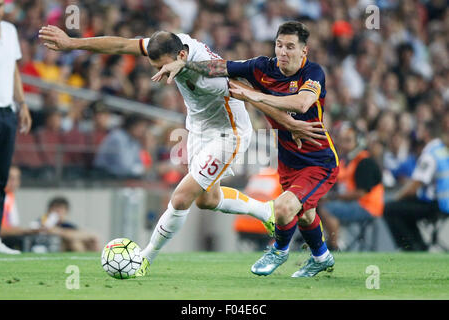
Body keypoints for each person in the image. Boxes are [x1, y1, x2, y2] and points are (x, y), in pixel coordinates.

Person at [38, 24, 326, 276]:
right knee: (206, 199)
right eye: (155, 67)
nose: (160, 73)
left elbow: (252, 96)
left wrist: (290, 124)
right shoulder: (170, 44)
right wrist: (72, 43)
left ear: (182, 57)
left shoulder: (212, 76)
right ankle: (266, 212)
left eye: (164, 66)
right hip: (198, 128)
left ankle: (143, 259)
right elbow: (122, 44)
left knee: (181, 197)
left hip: (229, 133)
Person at [154, 21, 339, 277]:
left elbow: (302, 103)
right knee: (305, 215)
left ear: (303, 51)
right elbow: (220, 67)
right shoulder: (262, 67)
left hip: (318, 160)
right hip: (287, 159)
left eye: (290, 47)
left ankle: (279, 250)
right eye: (279, 45)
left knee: (284, 209)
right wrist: (184, 64)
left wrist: (253, 95)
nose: (283, 52)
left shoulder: (313, 72)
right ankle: (321, 257)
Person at [383, 116, 449, 251]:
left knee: (390, 208)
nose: (416, 132)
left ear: (426, 133)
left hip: (435, 205)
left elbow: (415, 186)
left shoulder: (429, 154)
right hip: (443, 202)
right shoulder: (442, 150)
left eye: (420, 129)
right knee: (404, 209)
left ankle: (411, 247)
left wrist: (397, 198)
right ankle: (419, 244)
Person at [0, 0, 32, 254]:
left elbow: (14, 70)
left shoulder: (10, 31)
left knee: (1, 180)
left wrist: (22, 104)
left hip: (7, 111)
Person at [318, 124, 384, 251]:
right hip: (355, 203)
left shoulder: (365, 162)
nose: (343, 145)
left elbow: (360, 193)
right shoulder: (347, 161)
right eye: (342, 141)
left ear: (358, 141)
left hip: (367, 206)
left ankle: (334, 245)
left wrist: (332, 196)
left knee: (326, 208)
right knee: (319, 204)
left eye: (348, 141)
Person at [94, 114, 149, 179]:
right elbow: (123, 167)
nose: (143, 130)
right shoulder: (117, 138)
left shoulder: (135, 141)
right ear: (132, 126)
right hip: (104, 176)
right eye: (142, 127)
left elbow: (138, 162)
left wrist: (142, 169)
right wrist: (141, 170)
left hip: (122, 177)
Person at [0, 166, 40, 252]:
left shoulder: (10, 197)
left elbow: (13, 226)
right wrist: (24, 230)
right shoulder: (2, 198)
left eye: (17, 178)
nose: (14, 182)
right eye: (11, 178)